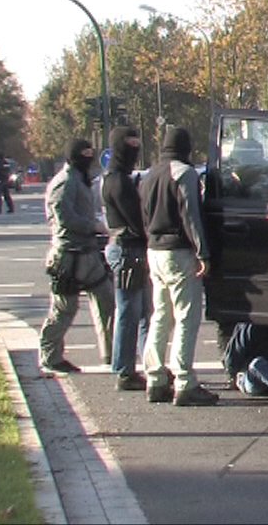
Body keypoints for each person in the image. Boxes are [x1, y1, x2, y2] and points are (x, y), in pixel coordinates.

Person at [139, 127, 217, 406]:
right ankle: (184, 381)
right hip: (179, 252)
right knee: (187, 316)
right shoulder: (184, 174)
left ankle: (155, 378)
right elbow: (191, 216)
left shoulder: (149, 175)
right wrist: (202, 252)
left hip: (154, 251)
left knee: (161, 315)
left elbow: (144, 216)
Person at [39, 140, 115, 375]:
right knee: (64, 309)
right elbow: (65, 219)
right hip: (68, 256)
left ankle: (111, 354)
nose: (89, 159)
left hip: (88, 253)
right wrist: (94, 226)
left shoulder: (81, 180)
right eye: (85, 155)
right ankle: (50, 356)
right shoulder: (64, 183)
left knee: (107, 302)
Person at [101, 126, 151, 391]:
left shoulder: (115, 178)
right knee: (130, 312)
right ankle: (124, 369)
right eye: (130, 144)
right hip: (128, 250)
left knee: (141, 312)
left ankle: (146, 365)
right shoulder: (118, 182)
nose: (135, 149)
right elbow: (136, 219)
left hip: (127, 249)